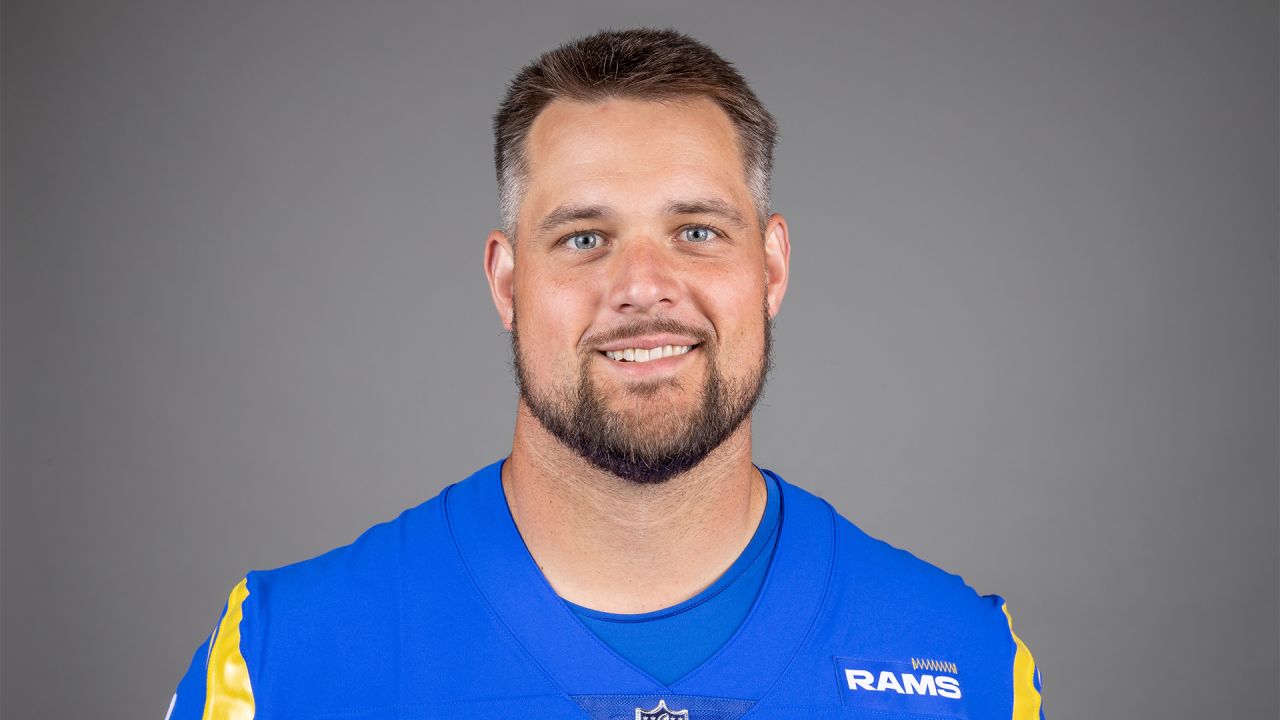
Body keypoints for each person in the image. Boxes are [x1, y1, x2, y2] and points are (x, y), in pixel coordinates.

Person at [166, 27, 1044, 720]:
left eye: (697, 231)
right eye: (585, 239)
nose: (644, 289)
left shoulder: (968, 664)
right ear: (508, 283)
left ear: (770, 269)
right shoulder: (286, 661)